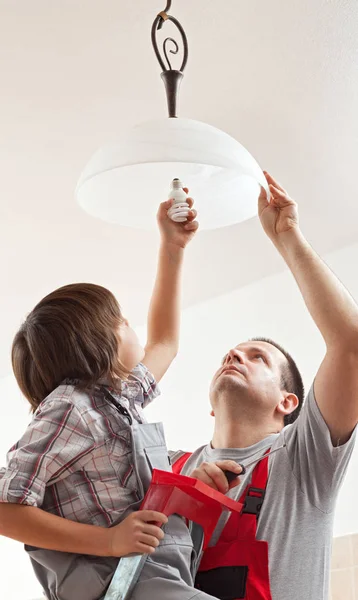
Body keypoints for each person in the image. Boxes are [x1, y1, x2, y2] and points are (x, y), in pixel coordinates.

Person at [0, 193, 218, 600]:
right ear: (98, 341)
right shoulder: (70, 407)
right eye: (122, 321)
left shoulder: (120, 400)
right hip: (120, 581)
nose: (131, 327)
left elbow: (166, 342)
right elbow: (5, 509)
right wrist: (111, 542)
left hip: (157, 574)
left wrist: (172, 246)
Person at [169, 172, 358, 600]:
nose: (234, 356)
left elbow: (350, 343)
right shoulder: (171, 468)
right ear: (211, 407)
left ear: (288, 401)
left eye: (257, 357)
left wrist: (286, 234)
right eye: (230, 354)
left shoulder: (305, 457)